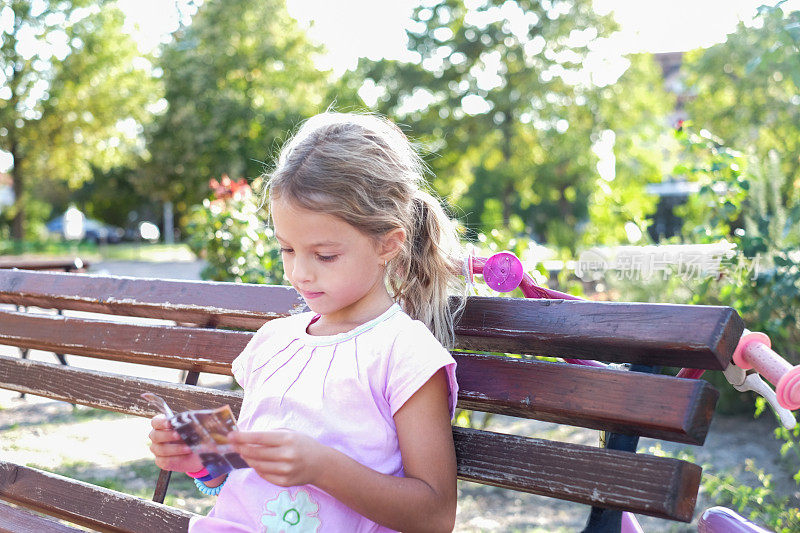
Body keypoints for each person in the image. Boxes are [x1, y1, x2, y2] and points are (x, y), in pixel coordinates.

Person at [148, 112, 464, 532]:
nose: (300, 273)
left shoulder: (404, 354)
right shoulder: (273, 342)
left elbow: (435, 516)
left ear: (388, 243)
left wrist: (322, 467)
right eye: (287, 250)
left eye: (325, 255)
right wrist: (203, 460)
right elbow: (248, 475)